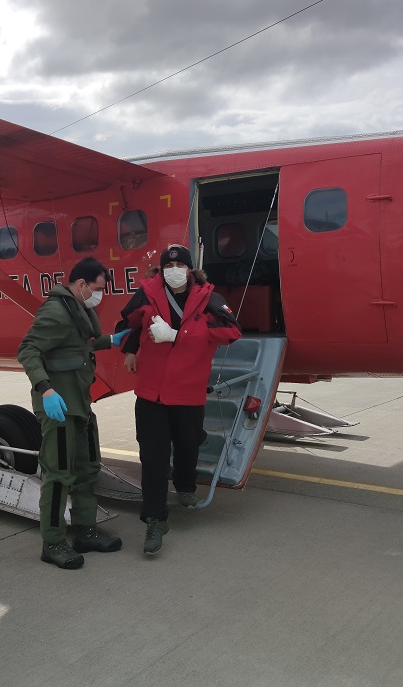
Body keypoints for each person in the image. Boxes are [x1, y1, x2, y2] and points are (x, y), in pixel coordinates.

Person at [118, 244, 241, 555]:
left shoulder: (210, 299)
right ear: (162, 269)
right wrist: (131, 348)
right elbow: (130, 323)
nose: (174, 269)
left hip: (188, 392)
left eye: (180, 264)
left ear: (190, 269)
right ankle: (155, 520)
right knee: (153, 456)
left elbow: (232, 331)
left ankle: (185, 485)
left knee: (188, 443)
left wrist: (179, 336)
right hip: (152, 393)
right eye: (169, 265)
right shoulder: (147, 293)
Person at [17, 256, 130, 569]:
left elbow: (78, 348)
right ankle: (52, 542)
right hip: (59, 408)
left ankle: (85, 531)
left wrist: (112, 340)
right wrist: (46, 390)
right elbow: (28, 350)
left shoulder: (77, 309)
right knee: (58, 475)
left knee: (86, 470)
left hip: (80, 405)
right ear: (81, 284)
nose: (100, 295)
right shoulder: (56, 311)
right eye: (97, 288)